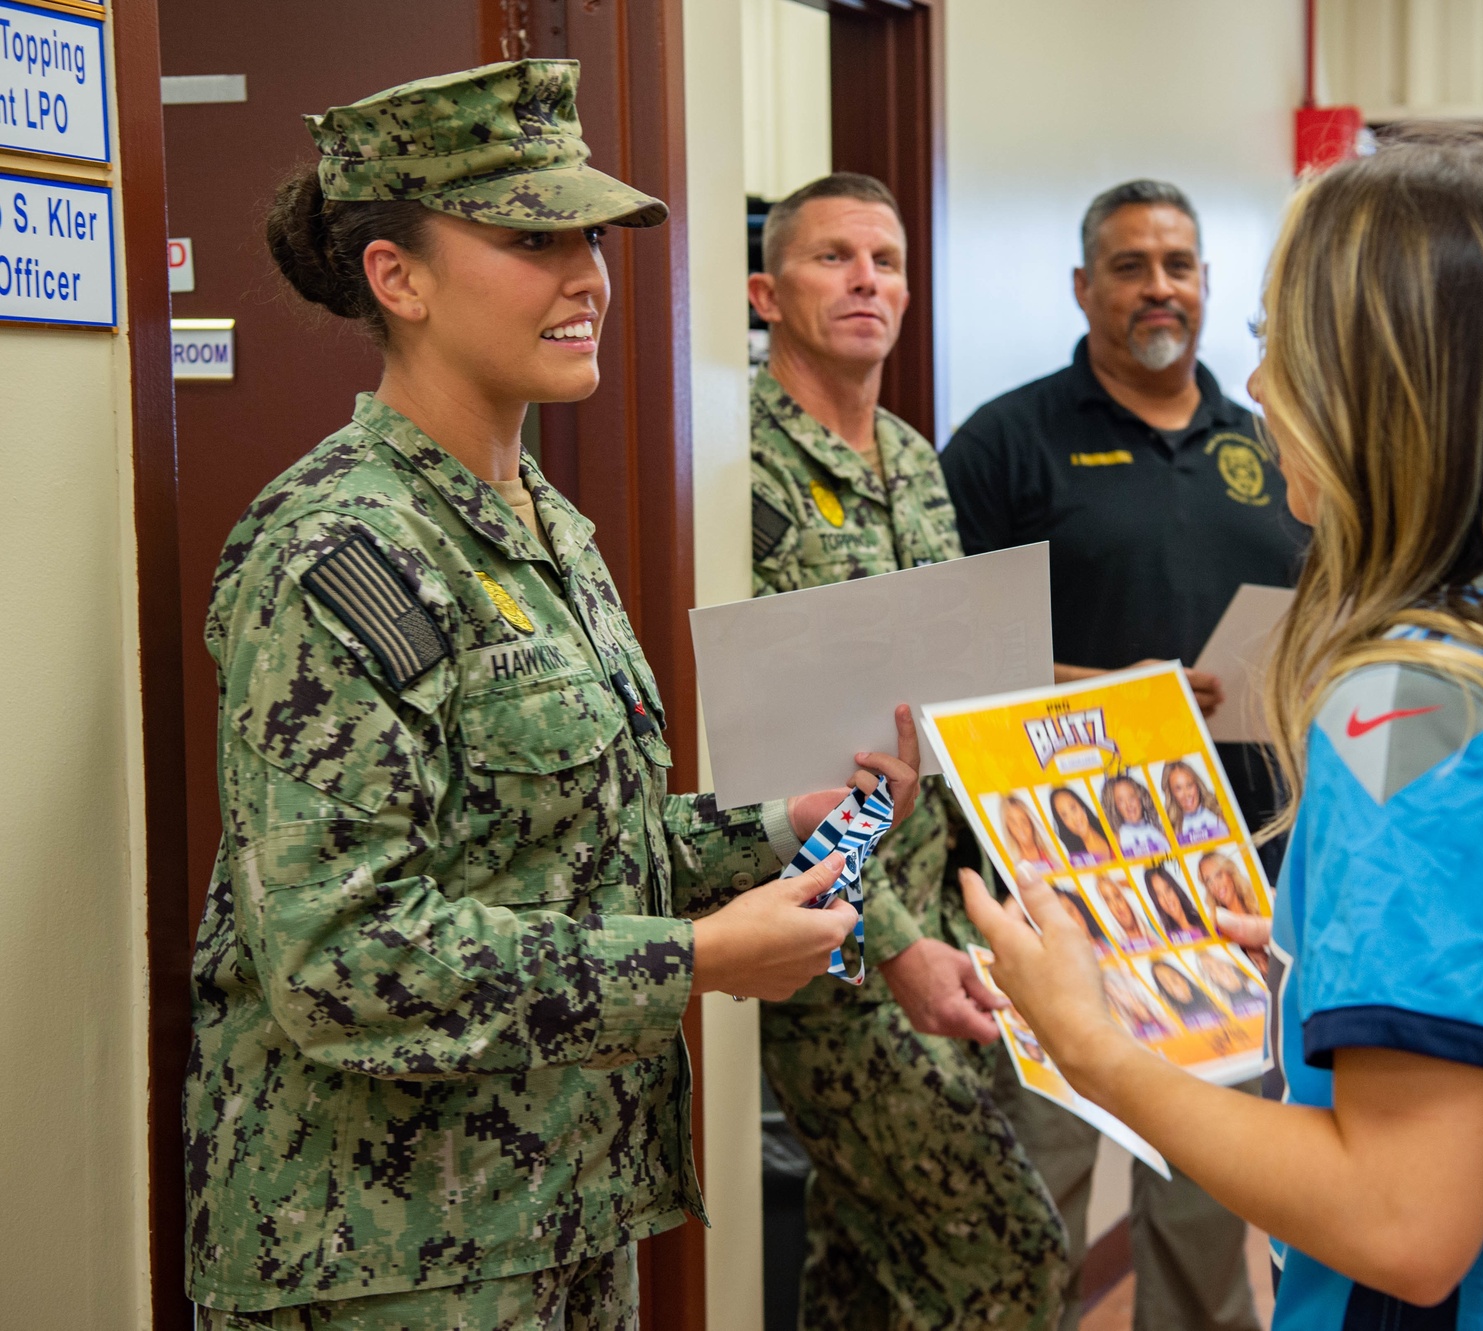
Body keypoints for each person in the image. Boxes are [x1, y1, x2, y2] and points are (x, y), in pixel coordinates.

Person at [963, 130, 1483, 1329]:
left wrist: (1094, 1047)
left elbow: (1402, 1224)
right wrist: (1326, 944)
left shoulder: (1400, 715)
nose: (1255, 388)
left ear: (1379, 385)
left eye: (1276, 346)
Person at [183, 61, 924, 1328]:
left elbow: (565, 846)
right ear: (395, 277)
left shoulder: (546, 532)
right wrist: (693, 957)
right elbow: (337, 956)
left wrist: (773, 830)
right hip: (386, 1254)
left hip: (561, 1210)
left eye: (588, 234)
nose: (587, 274)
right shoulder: (341, 553)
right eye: (531, 236)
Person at [945, 184, 1304, 1331]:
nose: (1160, 286)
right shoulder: (1007, 443)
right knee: (1034, 1195)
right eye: (1131, 264)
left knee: (1212, 1191)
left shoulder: (1263, 446)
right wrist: (1106, 694)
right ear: (1083, 287)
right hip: (1058, 879)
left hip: (1222, 881)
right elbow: (947, 650)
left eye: (1181, 264)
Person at [745, 171, 1066, 1329]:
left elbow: (942, 695)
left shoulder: (914, 461)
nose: (865, 281)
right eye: (832, 257)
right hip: (831, 927)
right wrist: (892, 945)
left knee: (862, 1262)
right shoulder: (738, 466)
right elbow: (753, 740)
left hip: (931, 899)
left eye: (883, 261)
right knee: (1010, 1256)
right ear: (764, 291)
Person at [1102, 773, 1172, 858]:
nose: (1129, 805)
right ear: (1115, 807)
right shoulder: (1117, 840)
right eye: (1121, 801)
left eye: (1131, 797)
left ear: (1140, 797)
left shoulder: (1162, 834)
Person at [1161, 759, 1228, 846]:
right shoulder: (1169, 832)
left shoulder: (1220, 813)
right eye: (1178, 789)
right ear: (1171, 793)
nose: (1187, 794)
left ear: (1197, 785)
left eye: (1189, 785)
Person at [1149, 960, 1227, 1032]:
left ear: (1182, 976)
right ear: (1163, 989)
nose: (1172, 983)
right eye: (1164, 982)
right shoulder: (1170, 1017)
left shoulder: (1213, 995)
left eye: (1173, 976)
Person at [1047, 786, 1113, 867]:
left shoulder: (1109, 827)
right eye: (1064, 816)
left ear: (1081, 806)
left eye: (1073, 808)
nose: (1074, 819)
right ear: (1062, 823)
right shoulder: (1075, 858)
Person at [1144, 866, 1210, 945]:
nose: (1167, 899)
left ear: (1175, 889)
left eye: (1168, 889)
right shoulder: (1168, 939)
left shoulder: (1205, 920)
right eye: (1159, 895)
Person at [1000, 792, 1062, 873]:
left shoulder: (1052, 853)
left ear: (1030, 821)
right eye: (1013, 822)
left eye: (1023, 820)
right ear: (1008, 828)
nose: (1020, 828)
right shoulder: (1007, 863)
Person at [1195, 949, 1267, 1020]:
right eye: (1209, 969)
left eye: (1219, 964)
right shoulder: (1219, 1006)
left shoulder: (1257, 984)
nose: (1218, 972)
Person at [1099, 877, 1164, 954]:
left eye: (1117, 896)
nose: (1116, 906)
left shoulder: (1154, 925)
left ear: (1126, 897)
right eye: (1108, 901)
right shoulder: (1110, 944)